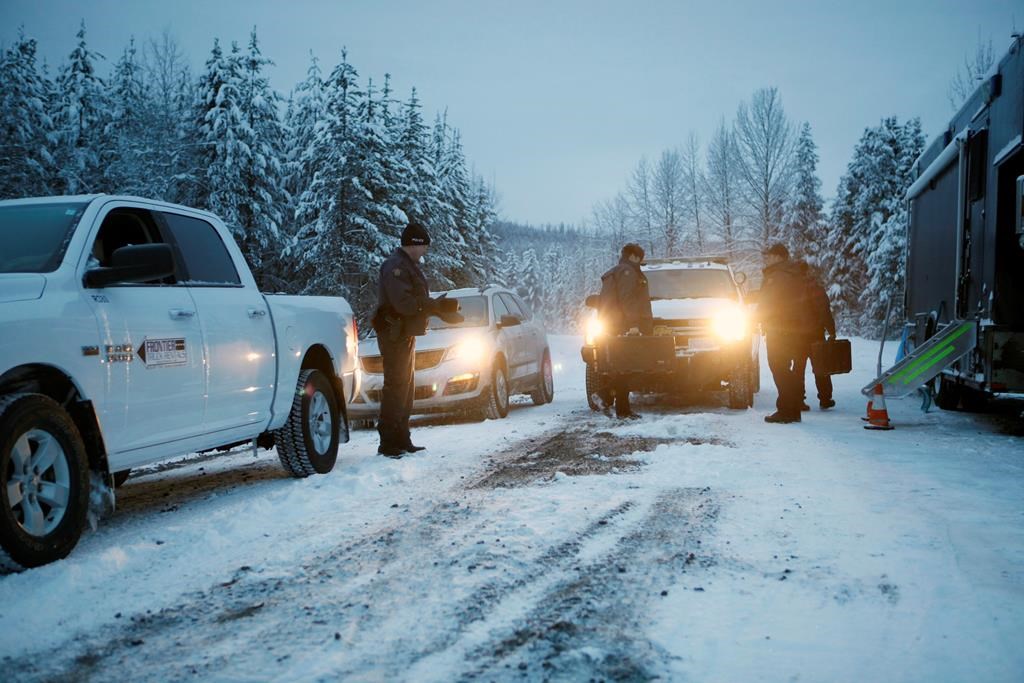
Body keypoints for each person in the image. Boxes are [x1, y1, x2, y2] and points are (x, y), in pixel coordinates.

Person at [372, 220, 461, 458]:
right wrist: (433, 306)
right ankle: (388, 442)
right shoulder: (396, 267)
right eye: (423, 247)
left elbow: (414, 301)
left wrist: (437, 308)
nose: (425, 252)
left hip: (404, 333)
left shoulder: (407, 265)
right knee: (396, 386)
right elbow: (404, 303)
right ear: (413, 244)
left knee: (406, 388)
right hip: (394, 333)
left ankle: (402, 439)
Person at [593, 243, 654, 420]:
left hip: (614, 326)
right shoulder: (627, 272)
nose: (640, 262)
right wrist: (634, 325)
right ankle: (605, 396)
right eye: (639, 258)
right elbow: (628, 300)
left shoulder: (617, 271)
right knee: (631, 367)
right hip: (624, 327)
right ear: (633, 256)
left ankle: (622, 410)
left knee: (624, 369)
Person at [757, 243, 811, 424]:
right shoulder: (792, 274)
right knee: (785, 369)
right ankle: (793, 409)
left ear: (779, 257)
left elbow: (769, 302)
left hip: (780, 328)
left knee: (779, 368)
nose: (767, 258)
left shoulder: (778, 276)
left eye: (770, 255)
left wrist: (755, 318)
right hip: (793, 328)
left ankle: (786, 410)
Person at [795, 262, 837, 410]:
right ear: (807, 272)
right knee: (821, 368)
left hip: (797, 337)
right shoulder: (816, 289)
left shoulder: (790, 290)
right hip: (815, 336)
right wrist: (831, 331)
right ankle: (825, 398)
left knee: (798, 369)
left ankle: (798, 399)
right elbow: (825, 311)